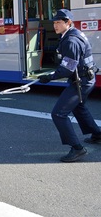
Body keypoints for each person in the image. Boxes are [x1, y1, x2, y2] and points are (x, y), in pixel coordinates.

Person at [38, 9, 101, 162]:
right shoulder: (74, 34)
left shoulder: (71, 40)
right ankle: (97, 134)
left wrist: (49, 77)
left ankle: (77, 148)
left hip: (81, 82)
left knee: (58, 114)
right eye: (54, 22)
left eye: (59, 22)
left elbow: (67, 69)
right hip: (87, 79)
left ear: (68, 23)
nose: (55, 25)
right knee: (79, 107)